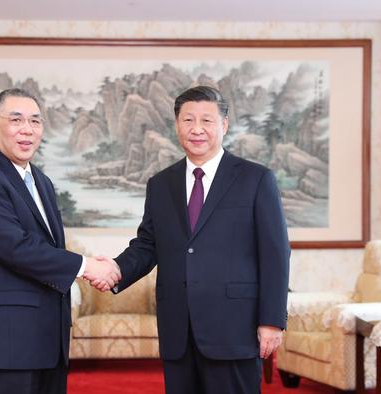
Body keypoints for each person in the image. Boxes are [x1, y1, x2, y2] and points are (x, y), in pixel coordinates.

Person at [94, 86, 290, 393]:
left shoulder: (256, 179)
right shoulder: (160, 184)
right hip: (179, 330)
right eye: (188, 120)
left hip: (234, 328)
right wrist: (116, 269)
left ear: (224, 125)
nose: (196, 129)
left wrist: (272, 321)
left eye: (207, 121)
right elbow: (148, 245)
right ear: (176, 125)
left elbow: (276, 254)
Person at [0, 88, 120, 394]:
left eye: (35, 121)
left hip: (43, 341)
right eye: (15, 120)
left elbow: (46, 247)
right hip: (1, 344)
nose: (27, 129)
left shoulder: (39, 179)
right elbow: (16, 248)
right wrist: (86, 267)